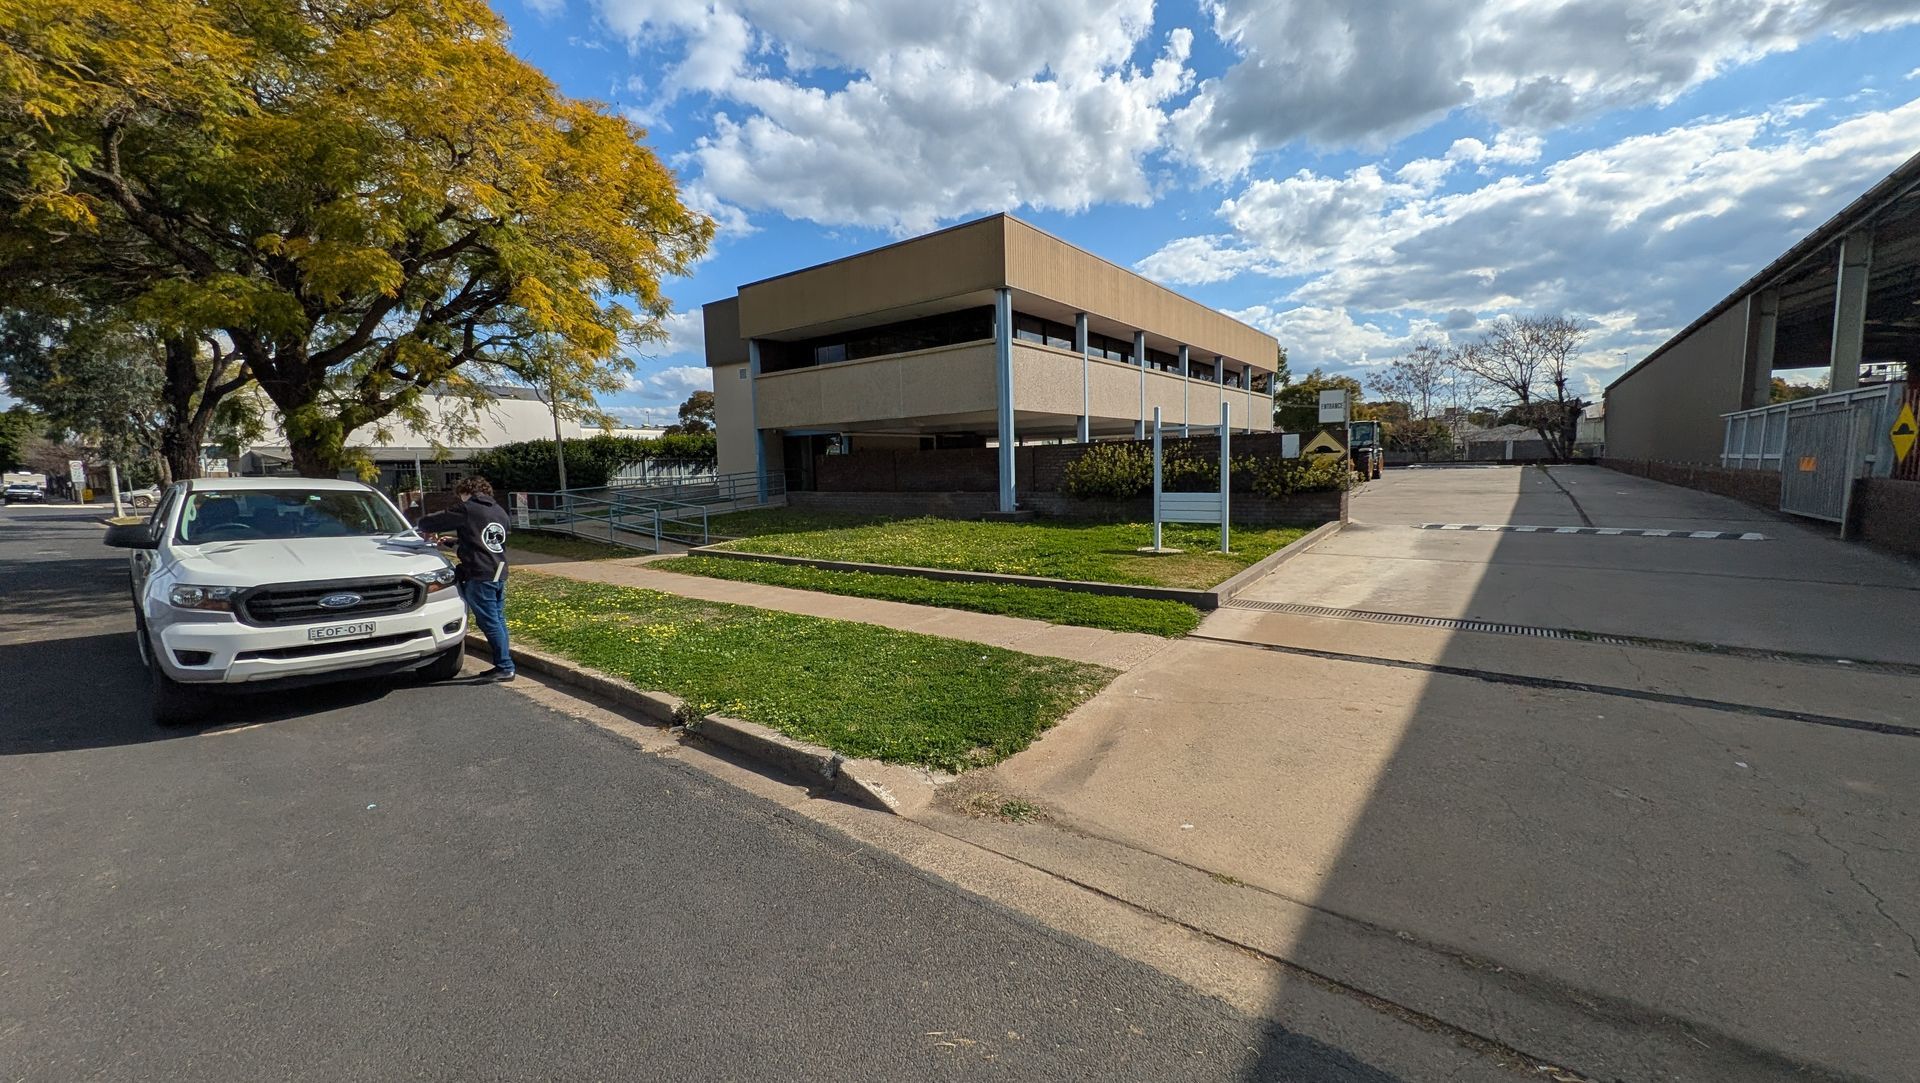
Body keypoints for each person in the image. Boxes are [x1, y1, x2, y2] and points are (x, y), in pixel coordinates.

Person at [417, 476, 515, 682]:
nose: (460, 499)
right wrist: (454, 542)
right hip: (498, 569)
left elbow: (433, 521)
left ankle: (505, 666)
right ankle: (506, 663)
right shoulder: (499, 511)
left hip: (479, 573)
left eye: (461, 495)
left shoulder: (468, 508)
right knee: (498, 619)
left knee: (489, 621)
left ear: (466, 492)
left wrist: (422, 525)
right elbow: (483, 540)